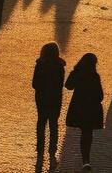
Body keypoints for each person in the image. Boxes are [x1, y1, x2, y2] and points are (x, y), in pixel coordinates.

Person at [64, 53, 105, 172]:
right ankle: (86, 159)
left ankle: (85, 160)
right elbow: (100, 96)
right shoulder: (94, 76)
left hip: (78, 107)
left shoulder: (77, 73)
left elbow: (68, 86)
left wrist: (74, 73)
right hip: (91, 109)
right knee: (87, 133)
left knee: (84, 132)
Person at [32, 42, 66, 170]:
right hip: (55, 99)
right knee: (53, 123)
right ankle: (52, 150)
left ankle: (40, 149)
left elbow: (34, 84)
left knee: (41, 122)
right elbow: (60, 84)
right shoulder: (60, 66)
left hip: (41, 99)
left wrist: (42, 88)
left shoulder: (40, 65)